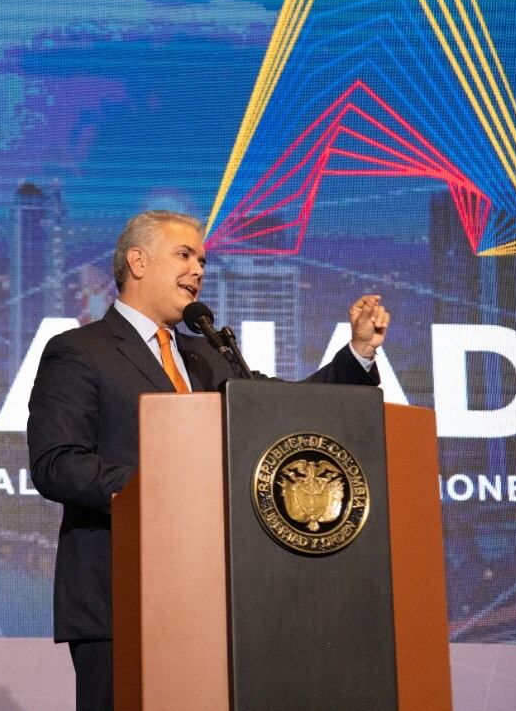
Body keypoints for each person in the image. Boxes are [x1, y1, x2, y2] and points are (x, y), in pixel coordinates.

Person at [26, 210, 390, 710]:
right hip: (122, 597)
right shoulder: (79, 351)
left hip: (216, 600)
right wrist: (163, 493)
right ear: (137, 261)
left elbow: (283, 412)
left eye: (202, 259)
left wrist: (359, 356)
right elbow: (57, 463)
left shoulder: (209, 356)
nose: (199, 269)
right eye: (184, 255)